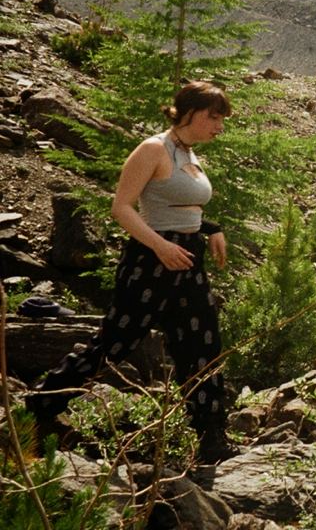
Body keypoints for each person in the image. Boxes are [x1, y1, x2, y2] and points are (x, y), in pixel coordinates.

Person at [27, 81, 235, 463]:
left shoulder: (189, 152)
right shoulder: (154, 149)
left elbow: (179, 205)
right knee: (115, 342)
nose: (220, 126)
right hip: (150, 261)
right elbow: (122, 207)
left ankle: (211, 438)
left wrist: (210, 228)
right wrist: (160, 245)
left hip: (187, 260)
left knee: (202, 344)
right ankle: (36, 407)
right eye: (215, 117)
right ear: (190, 113)